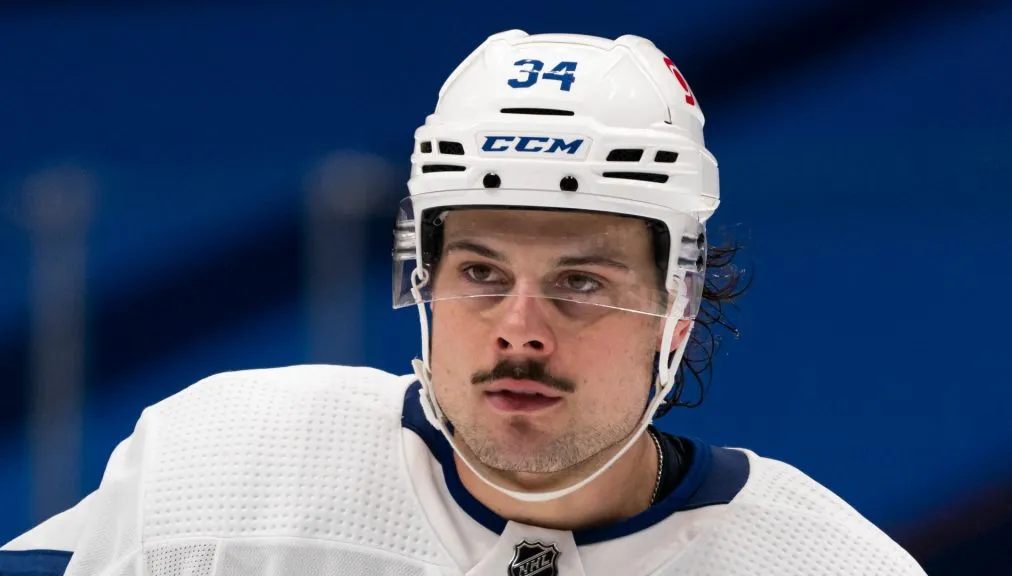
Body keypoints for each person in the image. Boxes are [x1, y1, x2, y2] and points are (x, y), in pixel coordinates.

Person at [1, 30, 926, 576]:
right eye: (481, 273)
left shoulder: (824, 566)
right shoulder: (213, 474)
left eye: (582, 284)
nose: (520, 330)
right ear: (424, 283)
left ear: (678, 310)